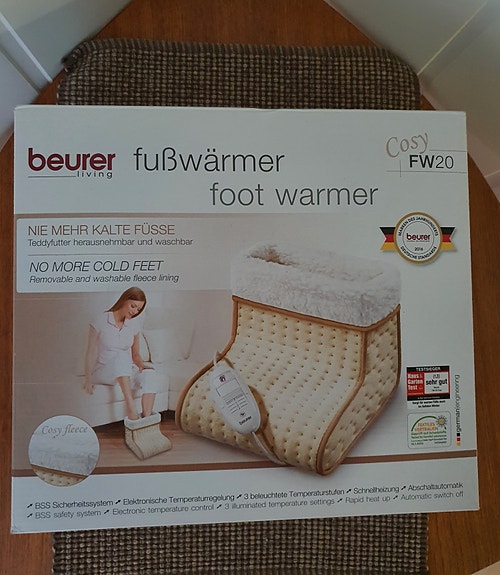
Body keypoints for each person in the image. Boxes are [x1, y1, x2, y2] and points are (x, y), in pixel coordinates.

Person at [84, 287, 158, 420]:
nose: (134, 311)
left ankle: (146, 421)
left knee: (150, 374)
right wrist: (88, 379)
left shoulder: (133, 324)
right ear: (124, 300)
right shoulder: (101, 320)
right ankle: (131, 409)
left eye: (138, 309)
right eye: (133, 306)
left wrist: (142, 365)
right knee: (122, 356)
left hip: (125, 371)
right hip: (104, 371)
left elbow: (135, 355)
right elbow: (90, 352)